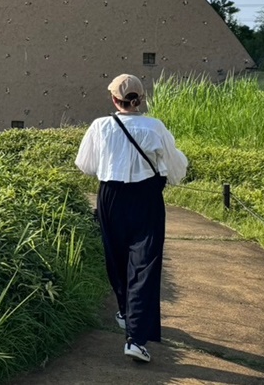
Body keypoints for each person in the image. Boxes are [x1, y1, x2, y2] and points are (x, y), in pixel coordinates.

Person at [75, 74, 188, 364]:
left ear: (114, 99)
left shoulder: (101, 126)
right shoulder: (155, 127)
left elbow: (85, 165)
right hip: (146, 198)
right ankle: (136, 338)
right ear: (141, 99)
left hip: (110, 197)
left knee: (116, 259)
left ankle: (126, 313)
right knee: (144, 265)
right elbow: (176, 168)